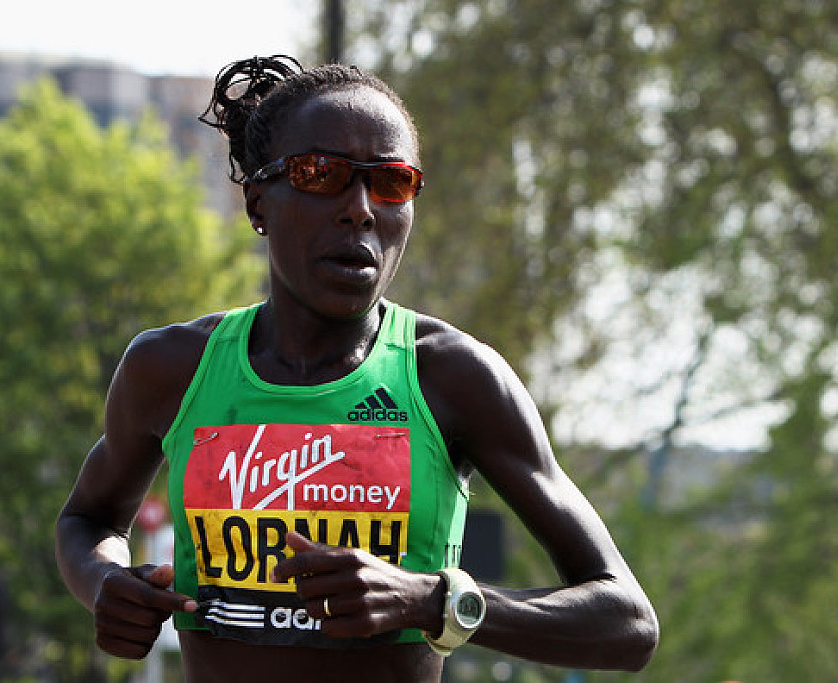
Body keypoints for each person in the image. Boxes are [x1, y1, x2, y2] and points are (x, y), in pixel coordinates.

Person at [55, 55, 659, 682]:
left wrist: (434, 601)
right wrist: (105, 582)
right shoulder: (172, 368)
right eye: (322, 174)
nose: (361, 209)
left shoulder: (453, 377)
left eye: (392, 182)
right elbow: (87, 521)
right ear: (258, 203)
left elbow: (626, 622)